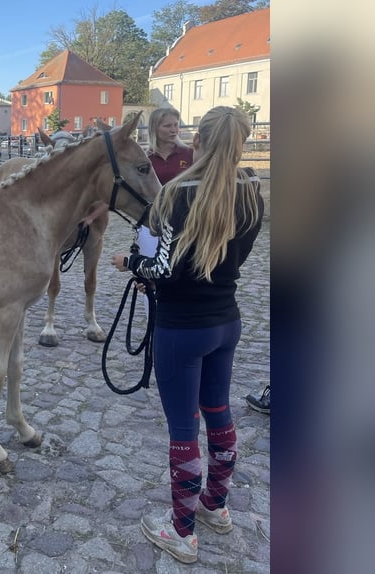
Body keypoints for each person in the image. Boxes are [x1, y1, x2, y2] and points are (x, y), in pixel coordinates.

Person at [110, 106, 264, 564]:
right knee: (218, 413)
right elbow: (237, 257)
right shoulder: (252, 192)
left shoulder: (178, 193)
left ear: (197, 143)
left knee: (183, 428)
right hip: (226, 322)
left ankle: (181, 532)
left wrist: (129, 263)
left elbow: (162, 268)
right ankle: (215, 506)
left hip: (182, 329)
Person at [137, 107, 194, 259]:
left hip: (185, 220)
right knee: (149, 265)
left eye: (176, 125)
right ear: (155, 128)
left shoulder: (189, 154)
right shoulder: (144, 159)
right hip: (153, 220)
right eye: (167, 126)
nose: (174, 130)